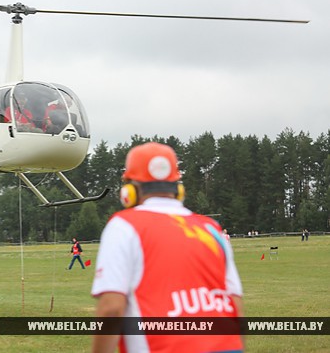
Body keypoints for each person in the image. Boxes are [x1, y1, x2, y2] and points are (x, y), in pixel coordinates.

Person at [91, 142, 243, 353]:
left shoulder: (124, 225)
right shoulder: (211, 228)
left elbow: (111, 308)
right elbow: (234, 302)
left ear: (130, 190)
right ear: (178, 188)